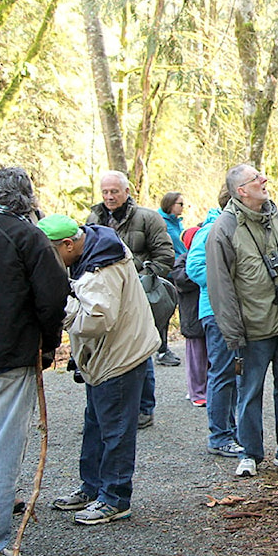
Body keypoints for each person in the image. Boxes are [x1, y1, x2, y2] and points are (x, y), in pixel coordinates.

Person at [0, 168, 69, 556]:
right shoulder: (30, 237)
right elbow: (52, 297)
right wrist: (47, 346)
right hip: (8, 360)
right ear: (27, 199)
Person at [40, 215, 159, 526]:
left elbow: (95, 320)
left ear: (68, 244)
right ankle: (92, 487)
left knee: (116, 428)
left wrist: (59, 302)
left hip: (119, 356)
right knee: (95, 424)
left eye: (50, 253)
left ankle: (115, 498)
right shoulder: (92, 250)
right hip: (102, 358)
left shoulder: (100, 268)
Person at [206, 166, 278, 477]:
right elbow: (220, 288)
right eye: (255, 180)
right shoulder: (223, 229)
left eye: (261, 177)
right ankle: (249, 453)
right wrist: (233, 334)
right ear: (241, 192)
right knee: (249, 391)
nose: (264, 181)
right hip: (252, 330)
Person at [86, 171, 176, 430]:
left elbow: (165, 256)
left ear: (127, 191)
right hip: (102, 298)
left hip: (137, 298)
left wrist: (143, 280)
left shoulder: (148, 218)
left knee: (140, 352)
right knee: (101, 352)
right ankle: (103, 412)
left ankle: (144, 410)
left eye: (114, 191)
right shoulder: (94, 219)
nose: (109, 196)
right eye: (105, 192)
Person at [186, 187, 242, 456]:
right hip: (216, 310)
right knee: (222, 372)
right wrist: (230, 277)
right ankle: (220, 436)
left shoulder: (241, 227)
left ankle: (234, 432)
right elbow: (194, 269)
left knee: (237, 374)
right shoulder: (210, 230)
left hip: (239, 312)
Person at [173, 227, 206, 406]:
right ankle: (197, 392)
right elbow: (181, 280)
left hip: (206, 314)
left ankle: (206, 388)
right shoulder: (183, 260)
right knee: (196, 357)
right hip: (192, 317)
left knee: (210, 356)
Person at [158, 191, 187, 256]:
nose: (183, 207)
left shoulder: (178, 222)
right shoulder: (160, 222)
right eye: (181, 204)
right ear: (171, 205)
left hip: (182, 260)